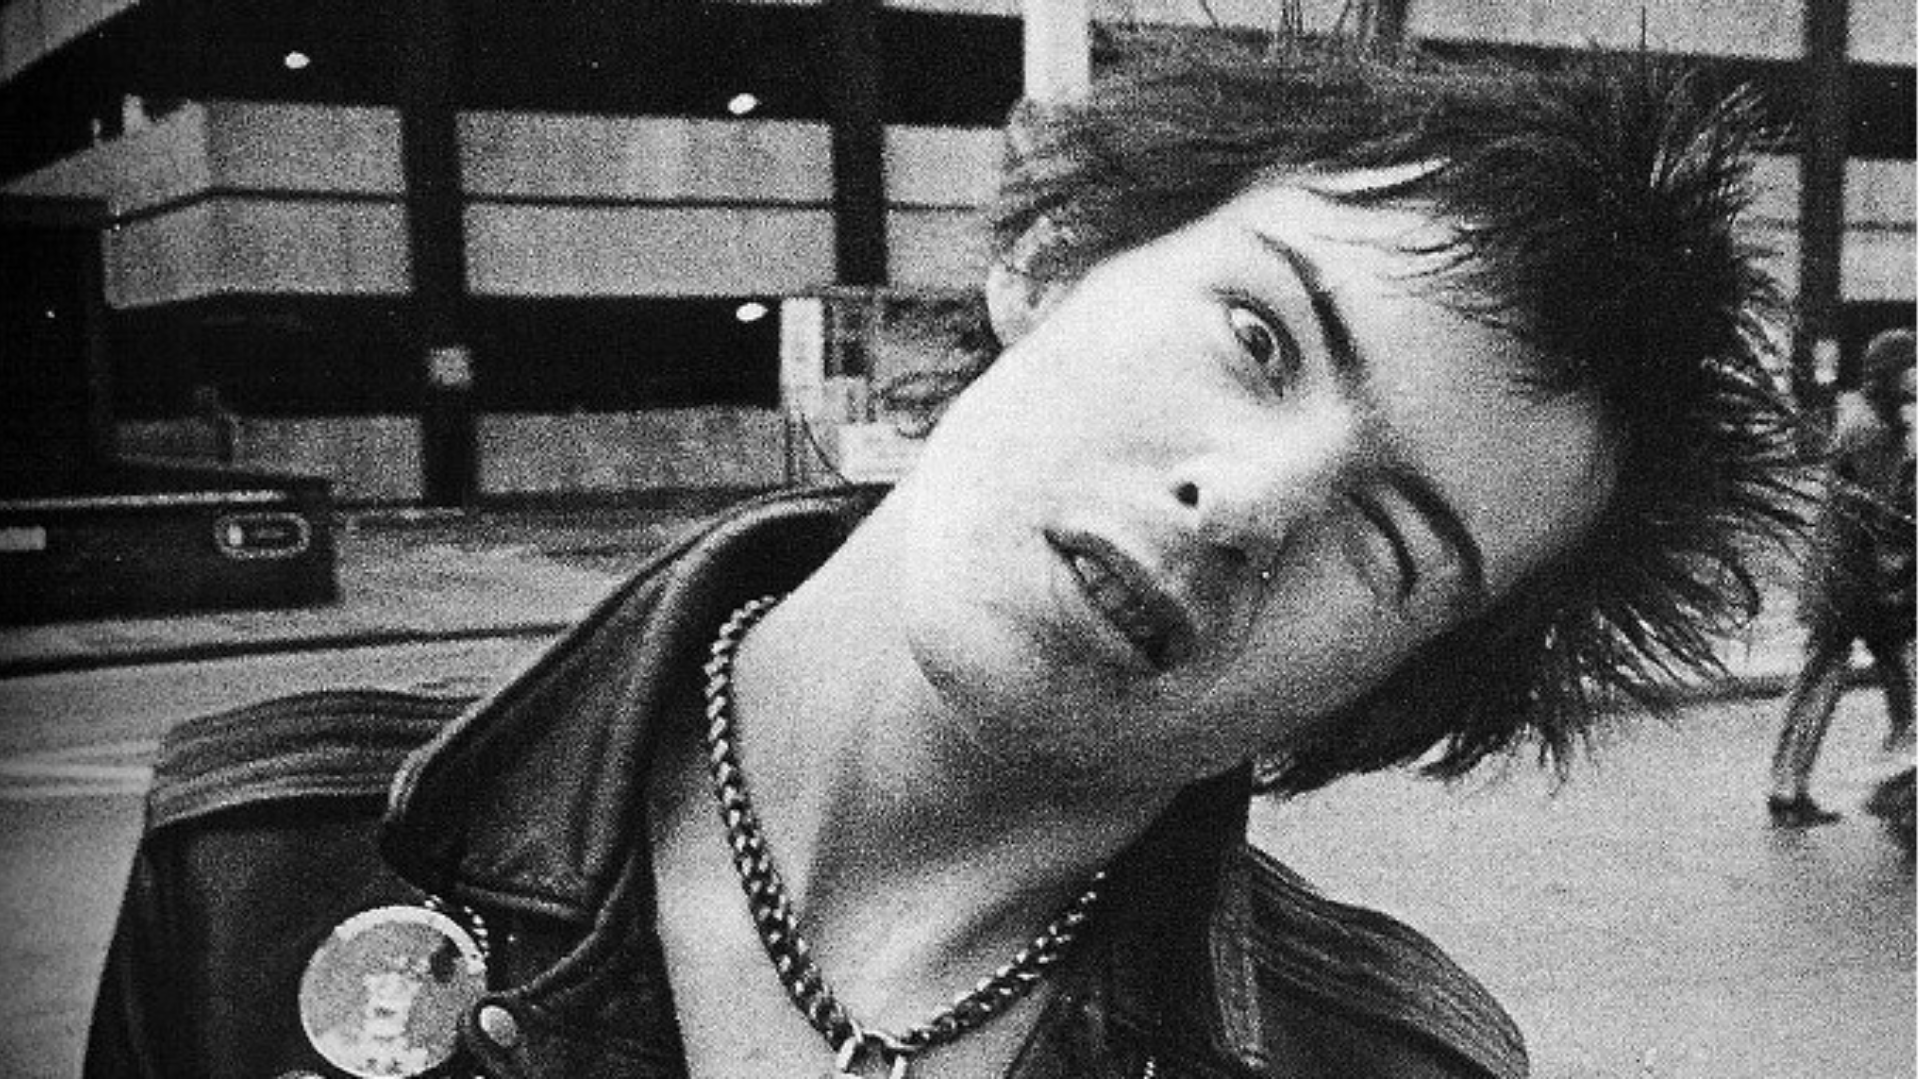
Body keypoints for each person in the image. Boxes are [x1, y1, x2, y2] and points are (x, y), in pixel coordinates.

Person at [86, 36, 1801, 1079]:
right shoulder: (272, 871)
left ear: (1386, 693)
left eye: (1389, 539)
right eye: (1261, 338)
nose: (1244, 504)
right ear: (1054, 256)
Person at [1768, 328, 1916, 827]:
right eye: (1913, 366)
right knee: (1833, 679)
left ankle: (1794, 787)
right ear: (1891, 373)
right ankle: (1889, 784)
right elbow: (1882, 514)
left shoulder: (1880, 420)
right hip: (1856, 579)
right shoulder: (1872, 430)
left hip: (1856, 577)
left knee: (1861, 678)